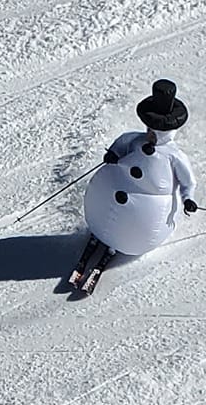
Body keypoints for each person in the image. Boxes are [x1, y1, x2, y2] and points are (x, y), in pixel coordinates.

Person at [72, 79, 197, 289]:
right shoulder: (134, 140)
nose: (148, 132)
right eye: (148, 127)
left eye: (153, 129)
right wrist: (112, 155)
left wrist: (188, 200)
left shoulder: (173, 156)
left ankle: (111, 248)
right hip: (106, 207)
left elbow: (188, 182)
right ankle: (99, 237)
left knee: (126, 228)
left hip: (141, 224)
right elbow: (120, 145)